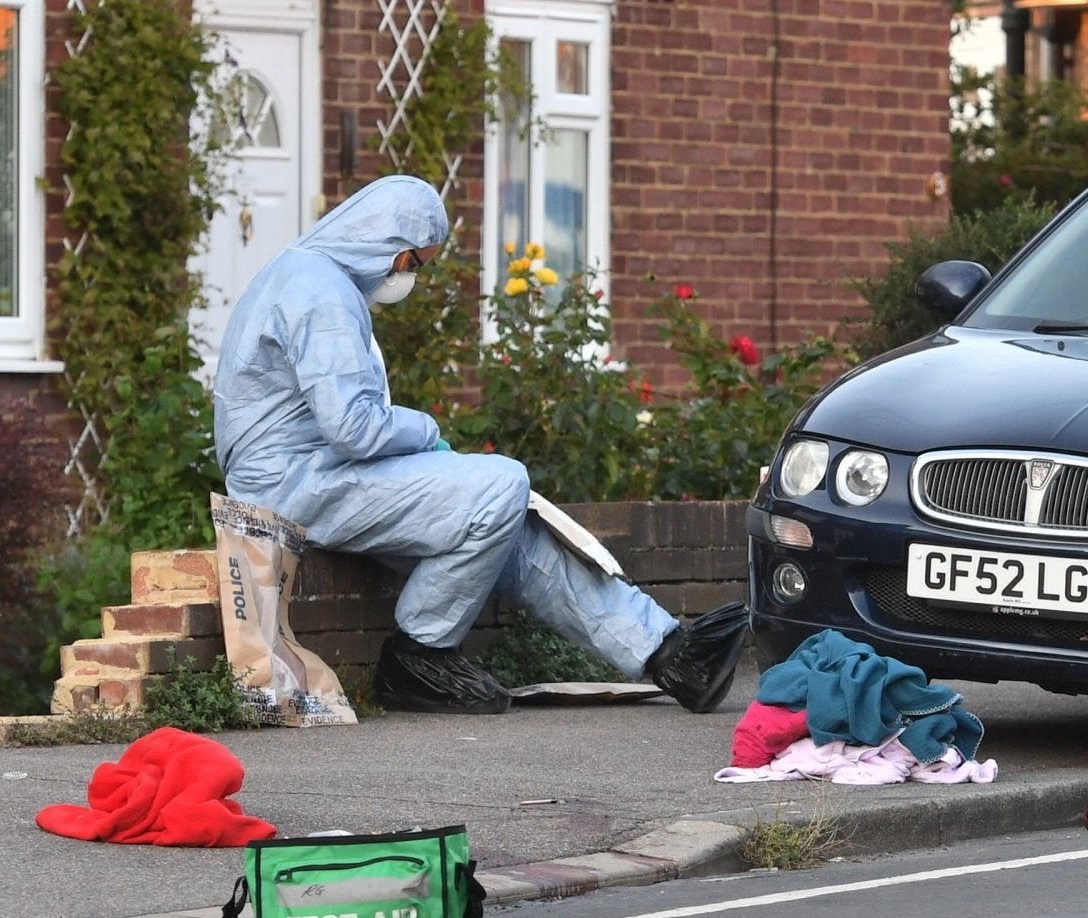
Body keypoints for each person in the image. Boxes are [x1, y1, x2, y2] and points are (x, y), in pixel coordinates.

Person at [212, 175, 747, 716]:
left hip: (318, 473)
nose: (409, 276)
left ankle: (669, 655)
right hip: (293, 485)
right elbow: (354, 427)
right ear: (384, 243)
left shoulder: (312, 279)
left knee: (510, 518)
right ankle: (419, 655)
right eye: (412, 262)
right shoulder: (319, 291)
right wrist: (427, 432)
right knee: (502, 484)